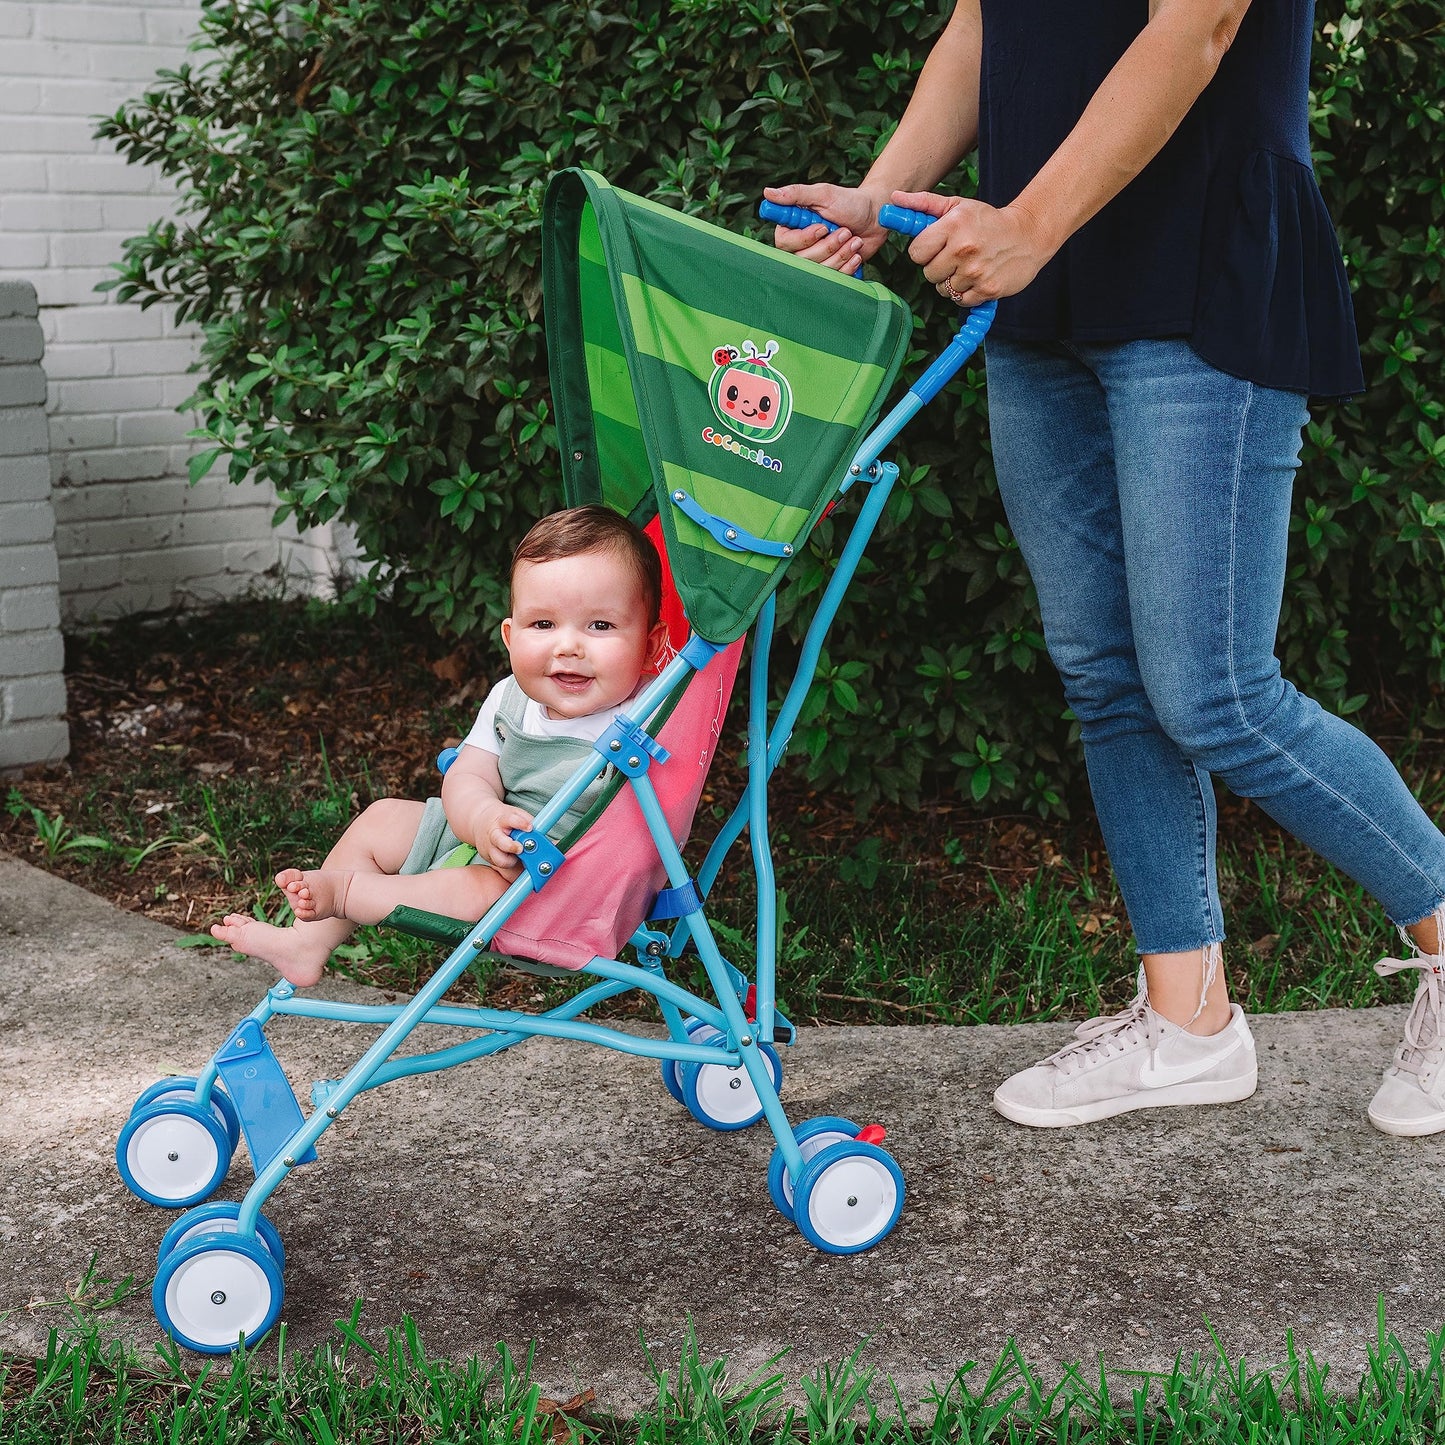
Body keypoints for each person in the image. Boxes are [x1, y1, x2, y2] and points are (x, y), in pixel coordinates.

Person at [767, 0, 1445, 1133]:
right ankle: (1185, 1024)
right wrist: (879, 194)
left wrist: (1028, 223)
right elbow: (984, 22)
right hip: (1040, 285)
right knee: (1105, 670)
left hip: (1196, 264)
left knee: (1217, 691)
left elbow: (1199, 26)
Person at [211, 506, 669, 987]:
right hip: (491, 835)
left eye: (600, 626)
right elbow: (469, 777)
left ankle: (349, 893)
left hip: (556, 882)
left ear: (651, 646)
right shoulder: (508, 699)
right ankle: (309, 942)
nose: (569, 647)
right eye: (544, 625)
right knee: (383, 818)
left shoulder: (646, 717)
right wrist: (483, 820)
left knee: (473, 891)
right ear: (510, 638)